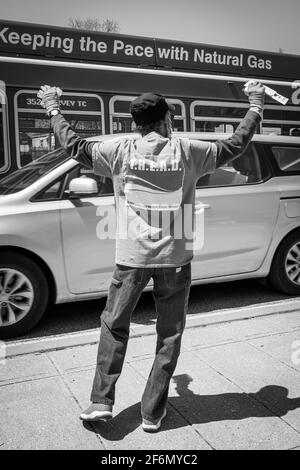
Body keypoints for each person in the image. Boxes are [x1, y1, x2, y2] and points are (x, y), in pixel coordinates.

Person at [37, 82, 265, 432]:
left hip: (131, 258)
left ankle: (101, 402)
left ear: (135, 123)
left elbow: (73, 145)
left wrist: (52, 107)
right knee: (169, 334)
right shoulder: (189, 150)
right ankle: (152, 413)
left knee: (114, 326)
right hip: (175, 258)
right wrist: (255, 104)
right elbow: (236, 144)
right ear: (167, 118)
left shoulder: (119, 151)